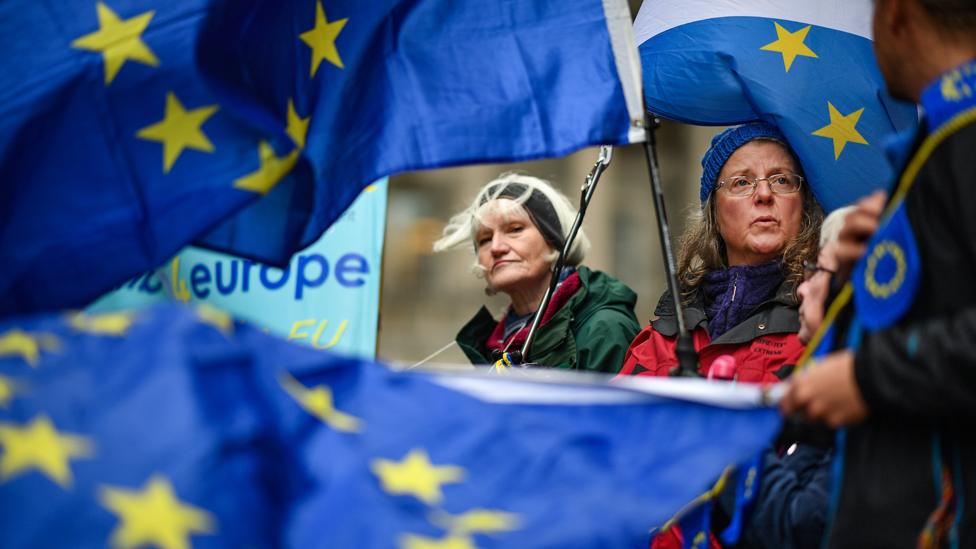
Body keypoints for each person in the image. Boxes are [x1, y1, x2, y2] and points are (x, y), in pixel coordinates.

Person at [781, 1, 976, 546]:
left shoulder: (965, 136)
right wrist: (850, 283)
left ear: (896, 14)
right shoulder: (942, 138)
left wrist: (866, 376)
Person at [617, 122, 823, 383]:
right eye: (742, 182)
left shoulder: (823, 317)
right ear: (714, 212)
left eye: (781, 180)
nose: (763, 194)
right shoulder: (664, 329)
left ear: (804, 205)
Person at [433, 173, 640, 373]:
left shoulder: (605, 328)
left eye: (515, 229)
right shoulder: (495, 343)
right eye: (484, 239)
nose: (496, 247)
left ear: (555, 241)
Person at [737, 206, 853, 549]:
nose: (802, 289)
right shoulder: (811, 387)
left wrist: (730, 449)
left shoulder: (862, 401)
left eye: (819, 271)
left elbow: (801, 524)